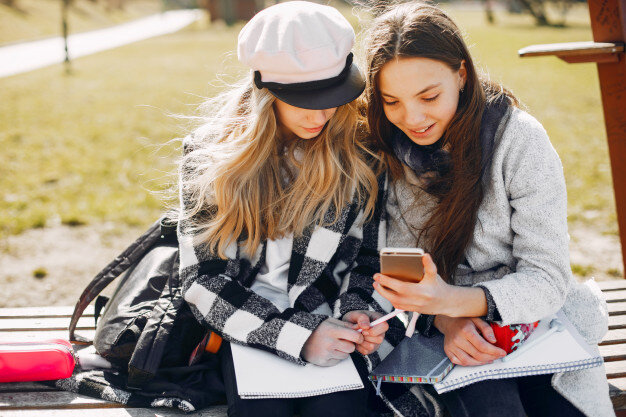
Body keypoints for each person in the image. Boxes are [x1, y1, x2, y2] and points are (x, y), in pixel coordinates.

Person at [362, 3, 613, 417]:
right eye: (392, 101)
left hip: (539, 325)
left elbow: (548, 279)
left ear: (461, 74)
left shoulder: (520, 142)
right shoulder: (387, 152)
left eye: (429, 96)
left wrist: (457, 301)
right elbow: (401, 273)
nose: (413, 118)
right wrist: (446, 319)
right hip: (447, 338)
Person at [176, 2, 396, 417]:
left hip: (329, 323)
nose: (322, 114)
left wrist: (357, 314)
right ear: (266, 90)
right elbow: (203, 282)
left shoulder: (362, 152)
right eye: (304, 100)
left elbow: (370, 257)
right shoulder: (210, 156)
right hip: (241, 324)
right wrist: (296, 336)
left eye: (333, 96)